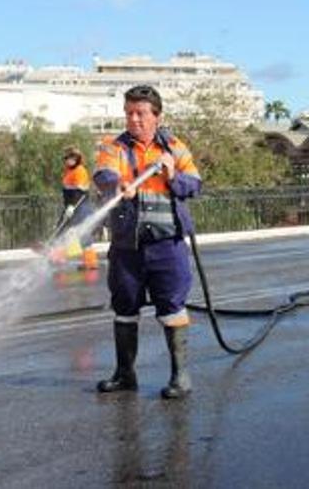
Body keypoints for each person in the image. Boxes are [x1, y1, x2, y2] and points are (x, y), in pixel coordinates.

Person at [93, 85, 202, 399]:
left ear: (157, 116)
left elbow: (194, 185)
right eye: (129, 113)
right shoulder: (114, 147)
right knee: (124, 307)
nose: (134, 119)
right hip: (127, 247)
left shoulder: (175, 148)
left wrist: (172, 176)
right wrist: (119, 183)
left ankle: (180, 377)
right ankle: (125, 374)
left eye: (140, 113)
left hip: (167, 244)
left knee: (172, 306)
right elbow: (102, 175)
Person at [58, 146, 98, 267]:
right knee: (63, 229)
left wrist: (72, 207)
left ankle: (90, 262)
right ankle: (60, 256)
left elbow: (79, 193)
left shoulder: (80, 171)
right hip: (71, 206)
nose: (68, 160)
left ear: (77, 159)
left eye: (71, 158)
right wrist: (68, 207)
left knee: (81, 233)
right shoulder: (68, 171)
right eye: (66, 158)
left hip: (80, 206)